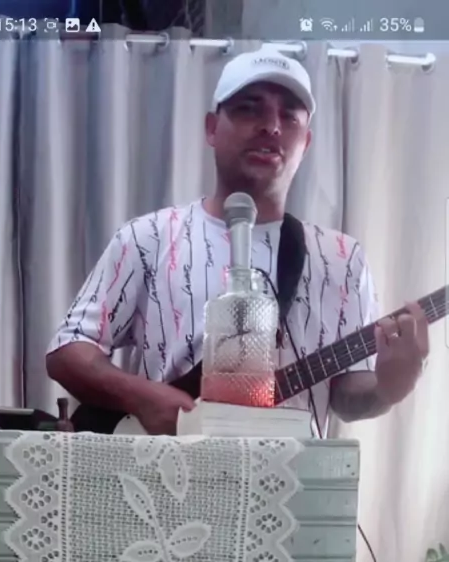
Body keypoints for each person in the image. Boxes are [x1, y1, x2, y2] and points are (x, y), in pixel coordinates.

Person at [46, 45, 429, 436]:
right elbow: (68, 351)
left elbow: (347, 397)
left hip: (290, 473)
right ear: (212, 128)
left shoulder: (344, 259)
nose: (271, 126)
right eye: (249, 108)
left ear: (306, 142)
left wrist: (389, 387)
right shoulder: (147, 239)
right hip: (165, 467)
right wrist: (142, 397)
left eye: (289, 116)